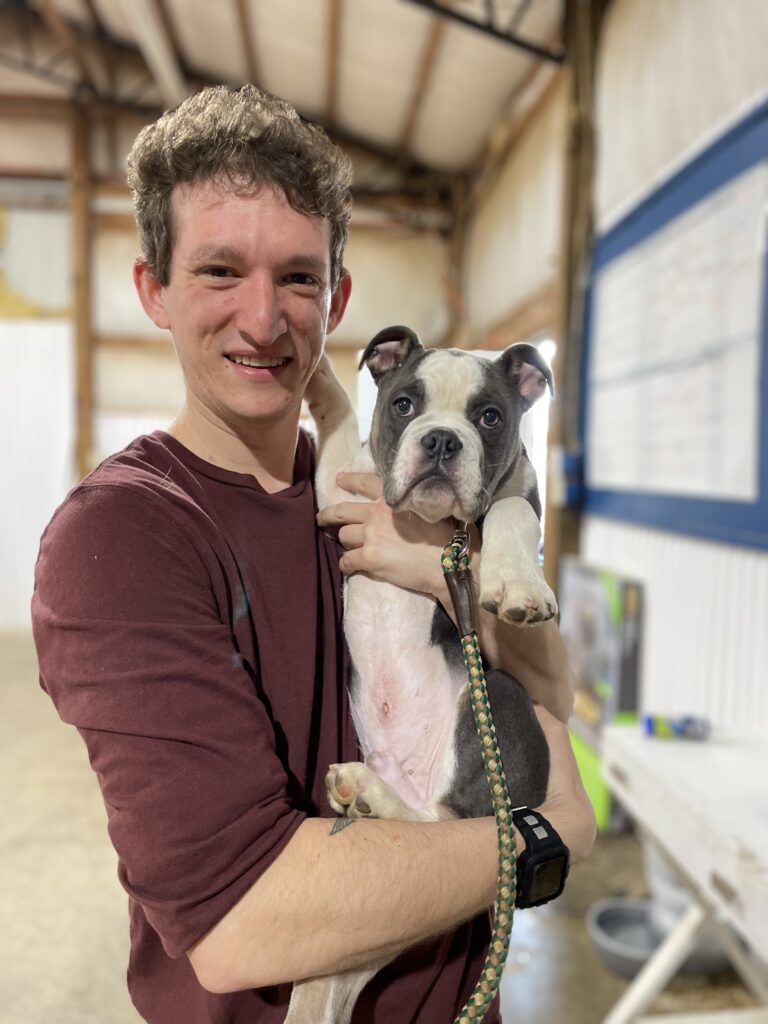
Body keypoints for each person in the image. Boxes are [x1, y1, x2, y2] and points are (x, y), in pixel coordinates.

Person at [31, 84, 595, 1024]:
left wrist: (441, 570)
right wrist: (539, 836)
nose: (263, 318)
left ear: (334, 301)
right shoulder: (122, 540)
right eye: (219, 271)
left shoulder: (374, 495)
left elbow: (552, 700)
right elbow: (251, 923)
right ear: (153, 290)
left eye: (296, 279)